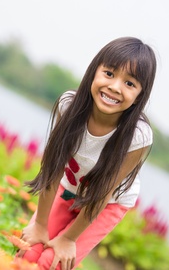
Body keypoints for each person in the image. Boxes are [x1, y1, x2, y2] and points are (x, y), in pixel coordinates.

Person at [17, 37, 157, 270]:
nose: (114, 87)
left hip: (107, 203)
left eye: (130, 83)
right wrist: (40, 225)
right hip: (68, 187)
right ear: (94, 72)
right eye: (109, 73)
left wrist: (68, 238)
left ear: (140, 96)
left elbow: (102, 193)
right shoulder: (69, 106)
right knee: (28, 252)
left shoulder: (138, 136)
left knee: (52, 263)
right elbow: (53, 169)